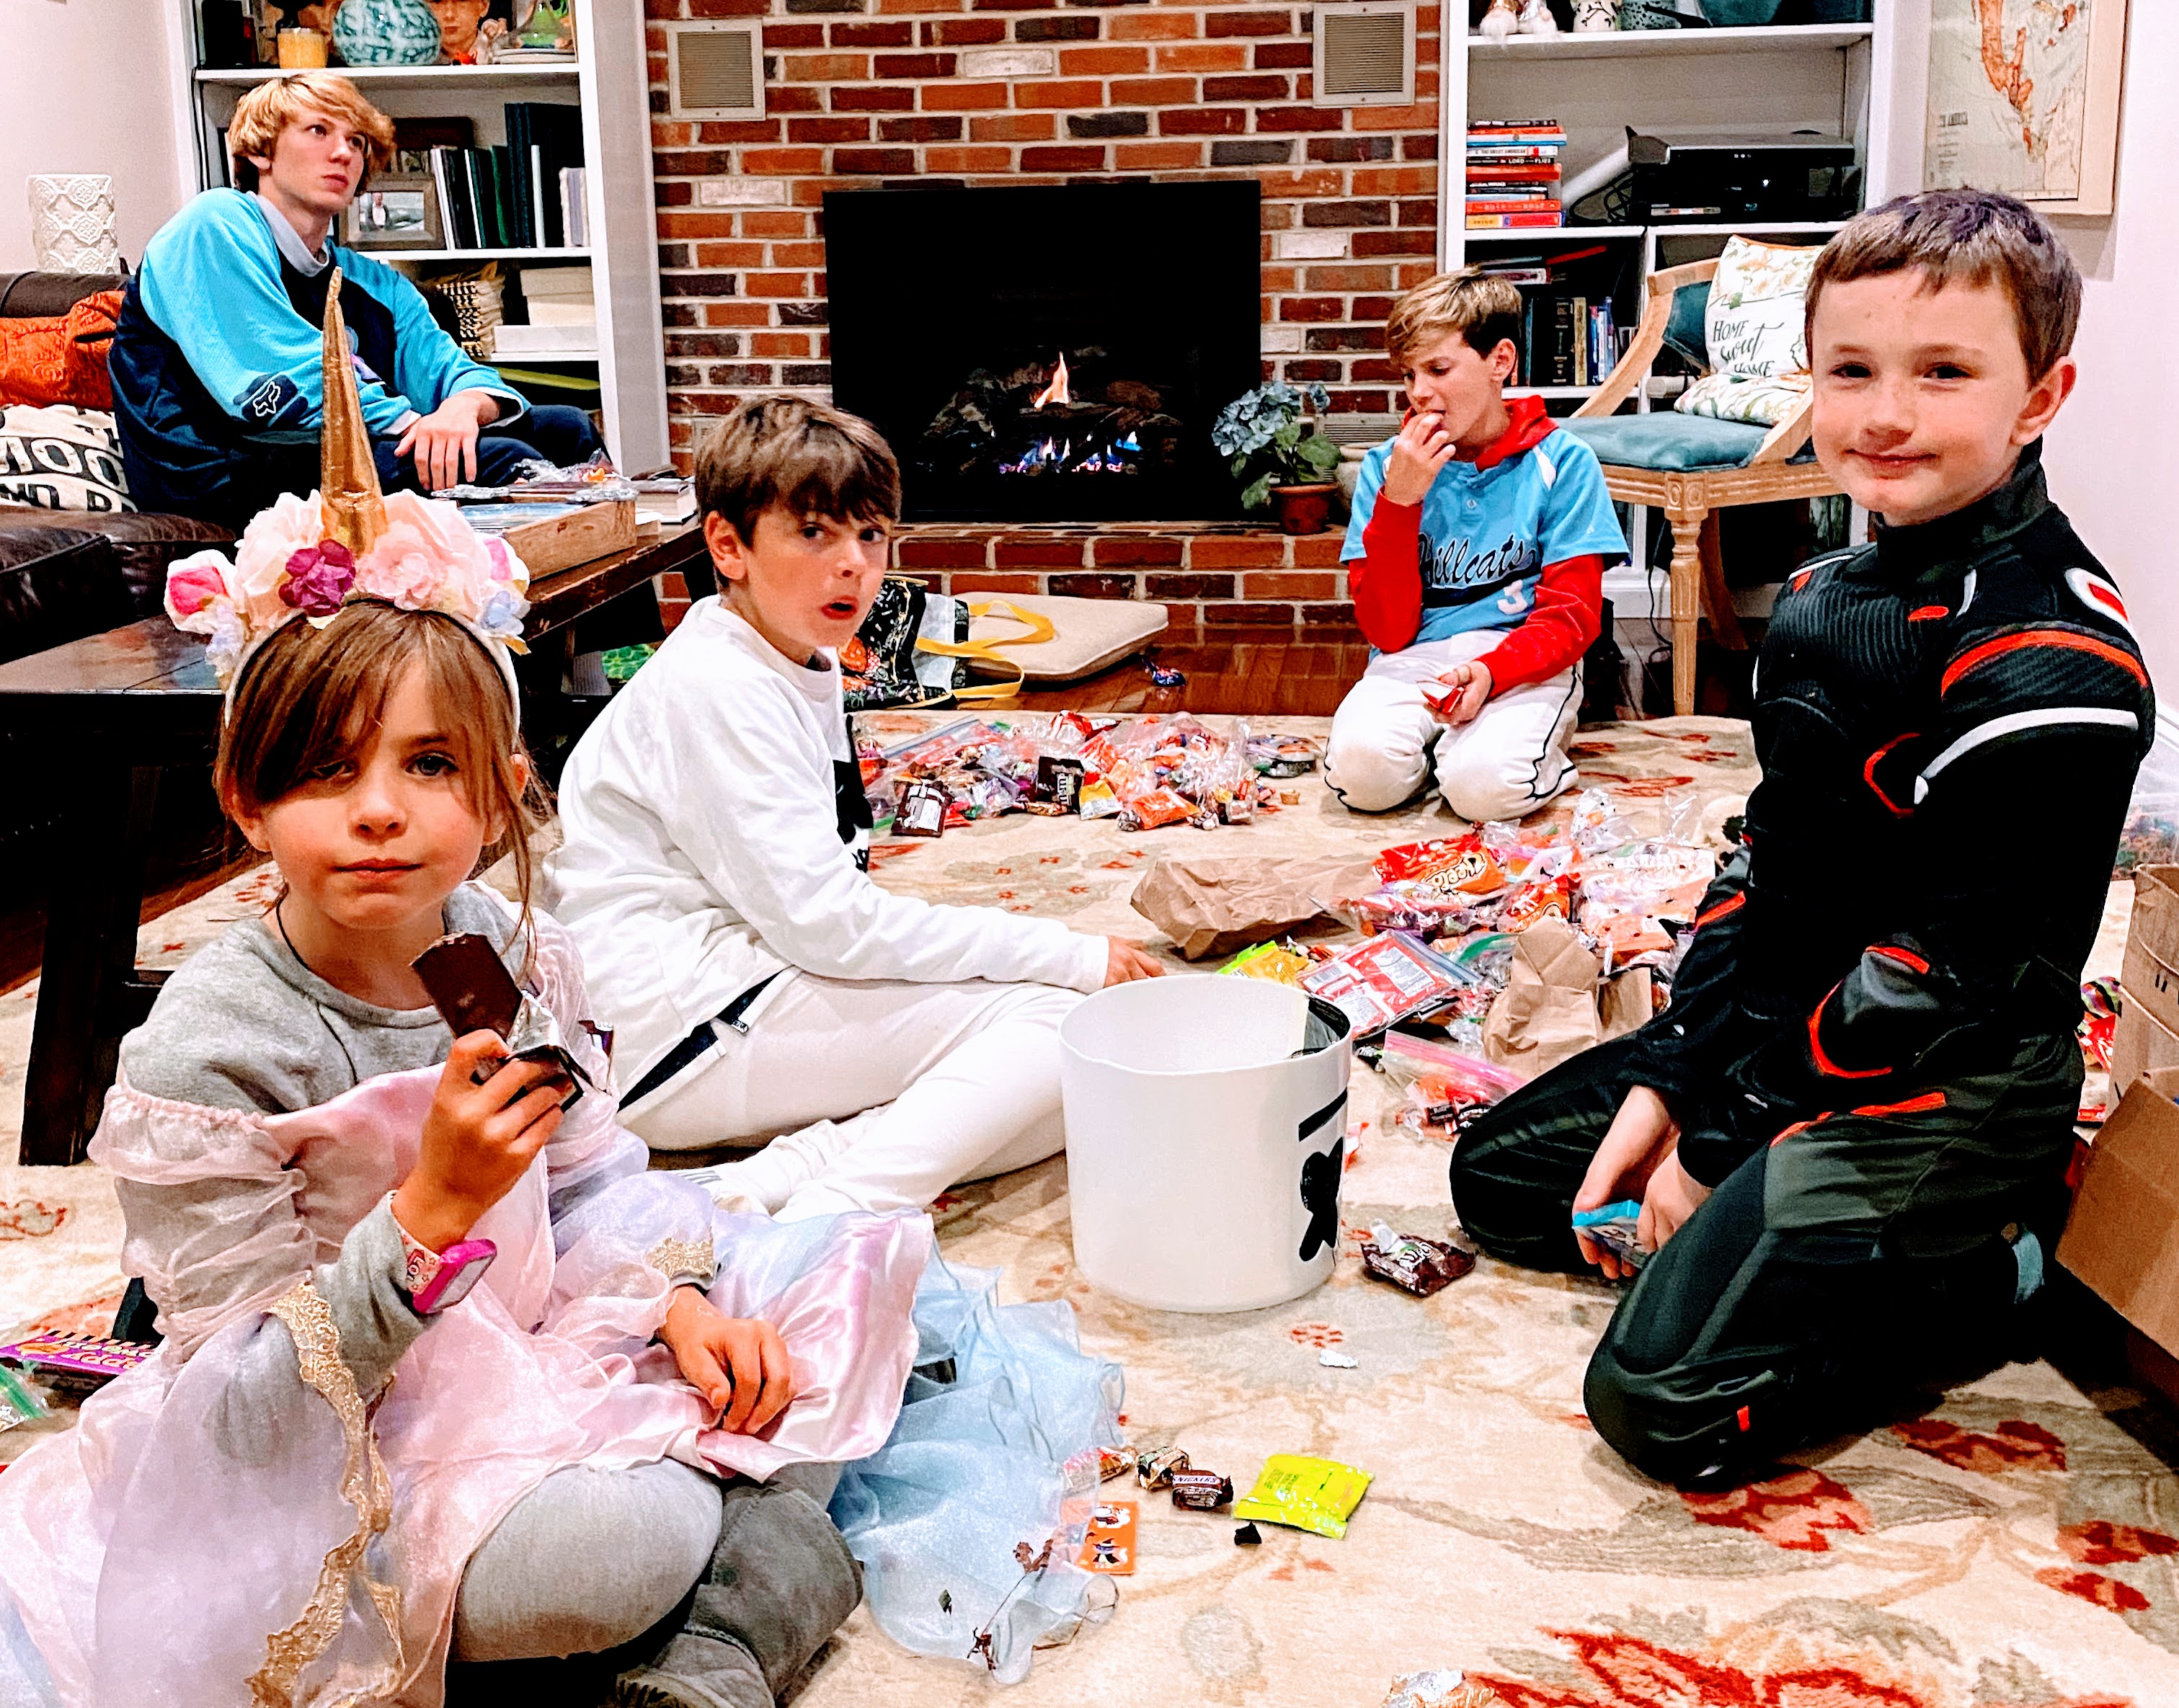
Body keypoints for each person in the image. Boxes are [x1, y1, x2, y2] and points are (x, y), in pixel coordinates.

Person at [0, 539, 928, 1705]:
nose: (380, 811)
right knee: (620, 1549)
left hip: (538, 1338)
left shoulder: (503, 948)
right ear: (244, 798)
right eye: (326, 769)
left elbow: (586, 1179)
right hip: (348, 1440)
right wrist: (430, 1209)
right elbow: (244, 1419)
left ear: (499, 794)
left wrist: (681, 1309)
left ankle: (711, 1646)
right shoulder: (214, 1049)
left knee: (843, 1321)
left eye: (430, 763)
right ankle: (739, 1583)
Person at [1448, 190, 2152, 1489]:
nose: (1884, 413)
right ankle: (1784, 1222)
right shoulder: (1827, 595)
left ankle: (2001, 1267)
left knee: (1660, 1403)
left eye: (1942, 373)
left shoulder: (2052, 662)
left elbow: (1932, 980)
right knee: (1498, 1181)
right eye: (1850, 370)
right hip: (1802, 1020)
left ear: (2038, 397)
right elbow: (1768, 864)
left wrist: (1719, 1142)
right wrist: (1676, 1069)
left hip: (1950, 1077)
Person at [543, 396, 1163, 1216]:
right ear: (727, 545)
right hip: (663, 1030)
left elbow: (820, 901)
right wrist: (1063, 953)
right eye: (814, 533)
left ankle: (765, 1181)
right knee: (1058, 1026)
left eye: (870, 535)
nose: (854, 565)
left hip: (730, 983)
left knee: (1067, 1082)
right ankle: (826, 1220)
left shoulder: (793, 651)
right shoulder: (718, 686)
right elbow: (830, 928)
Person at [108, 71, 598, 530]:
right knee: (501, 460)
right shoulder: (215, 224)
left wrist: (463, 410)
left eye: (357, 141)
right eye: (319, 131)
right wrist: (420, 428)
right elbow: (282, 384)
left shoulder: (374, 283)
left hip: (323, 452)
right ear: (261, 152)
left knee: (567, 429)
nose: (343, 152)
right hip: (222, 469)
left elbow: (454, 371)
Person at [1325, 268, 1628, 821]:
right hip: (1411, 656)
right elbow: (1386, 632)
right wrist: (1399, 503)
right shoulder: (1384, 469)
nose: (1419, 392)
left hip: (1521, 657)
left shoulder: (1564, 462)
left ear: (1499, 361)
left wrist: (1491, 672)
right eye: (1409, 374)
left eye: (1438, 369)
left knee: (1484, 792)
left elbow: (1571, 617)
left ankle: (1525, 757)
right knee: (1362, 779)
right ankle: (1436, 754)